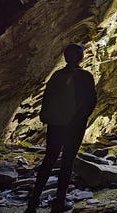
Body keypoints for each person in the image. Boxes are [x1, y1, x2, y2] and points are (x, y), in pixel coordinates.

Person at [25, 43, 97, 213]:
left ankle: (33, 202)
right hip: (74, 125)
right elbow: (91, 101)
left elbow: (47, 99)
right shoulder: (85, 76)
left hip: (56, 124)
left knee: (48, 161)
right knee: (67, 162)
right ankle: (60, 201)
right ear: (81, 58)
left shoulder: (56, 76)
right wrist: (81, 118)